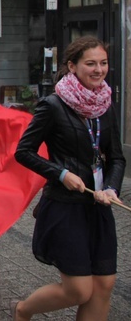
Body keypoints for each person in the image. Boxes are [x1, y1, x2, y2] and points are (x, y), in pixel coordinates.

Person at [12, 37, 125, 320]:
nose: (98, 70)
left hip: (99, 206)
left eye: (103, 63)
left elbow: (117, 158)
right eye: (91, 64)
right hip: (65, 207)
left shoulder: (106, 105)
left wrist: (111, 187)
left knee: (104, 285)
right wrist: (61, 174)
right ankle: (23, 310)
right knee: (78, 289)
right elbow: (23, 152)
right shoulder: (53, 105)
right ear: (73, 66)